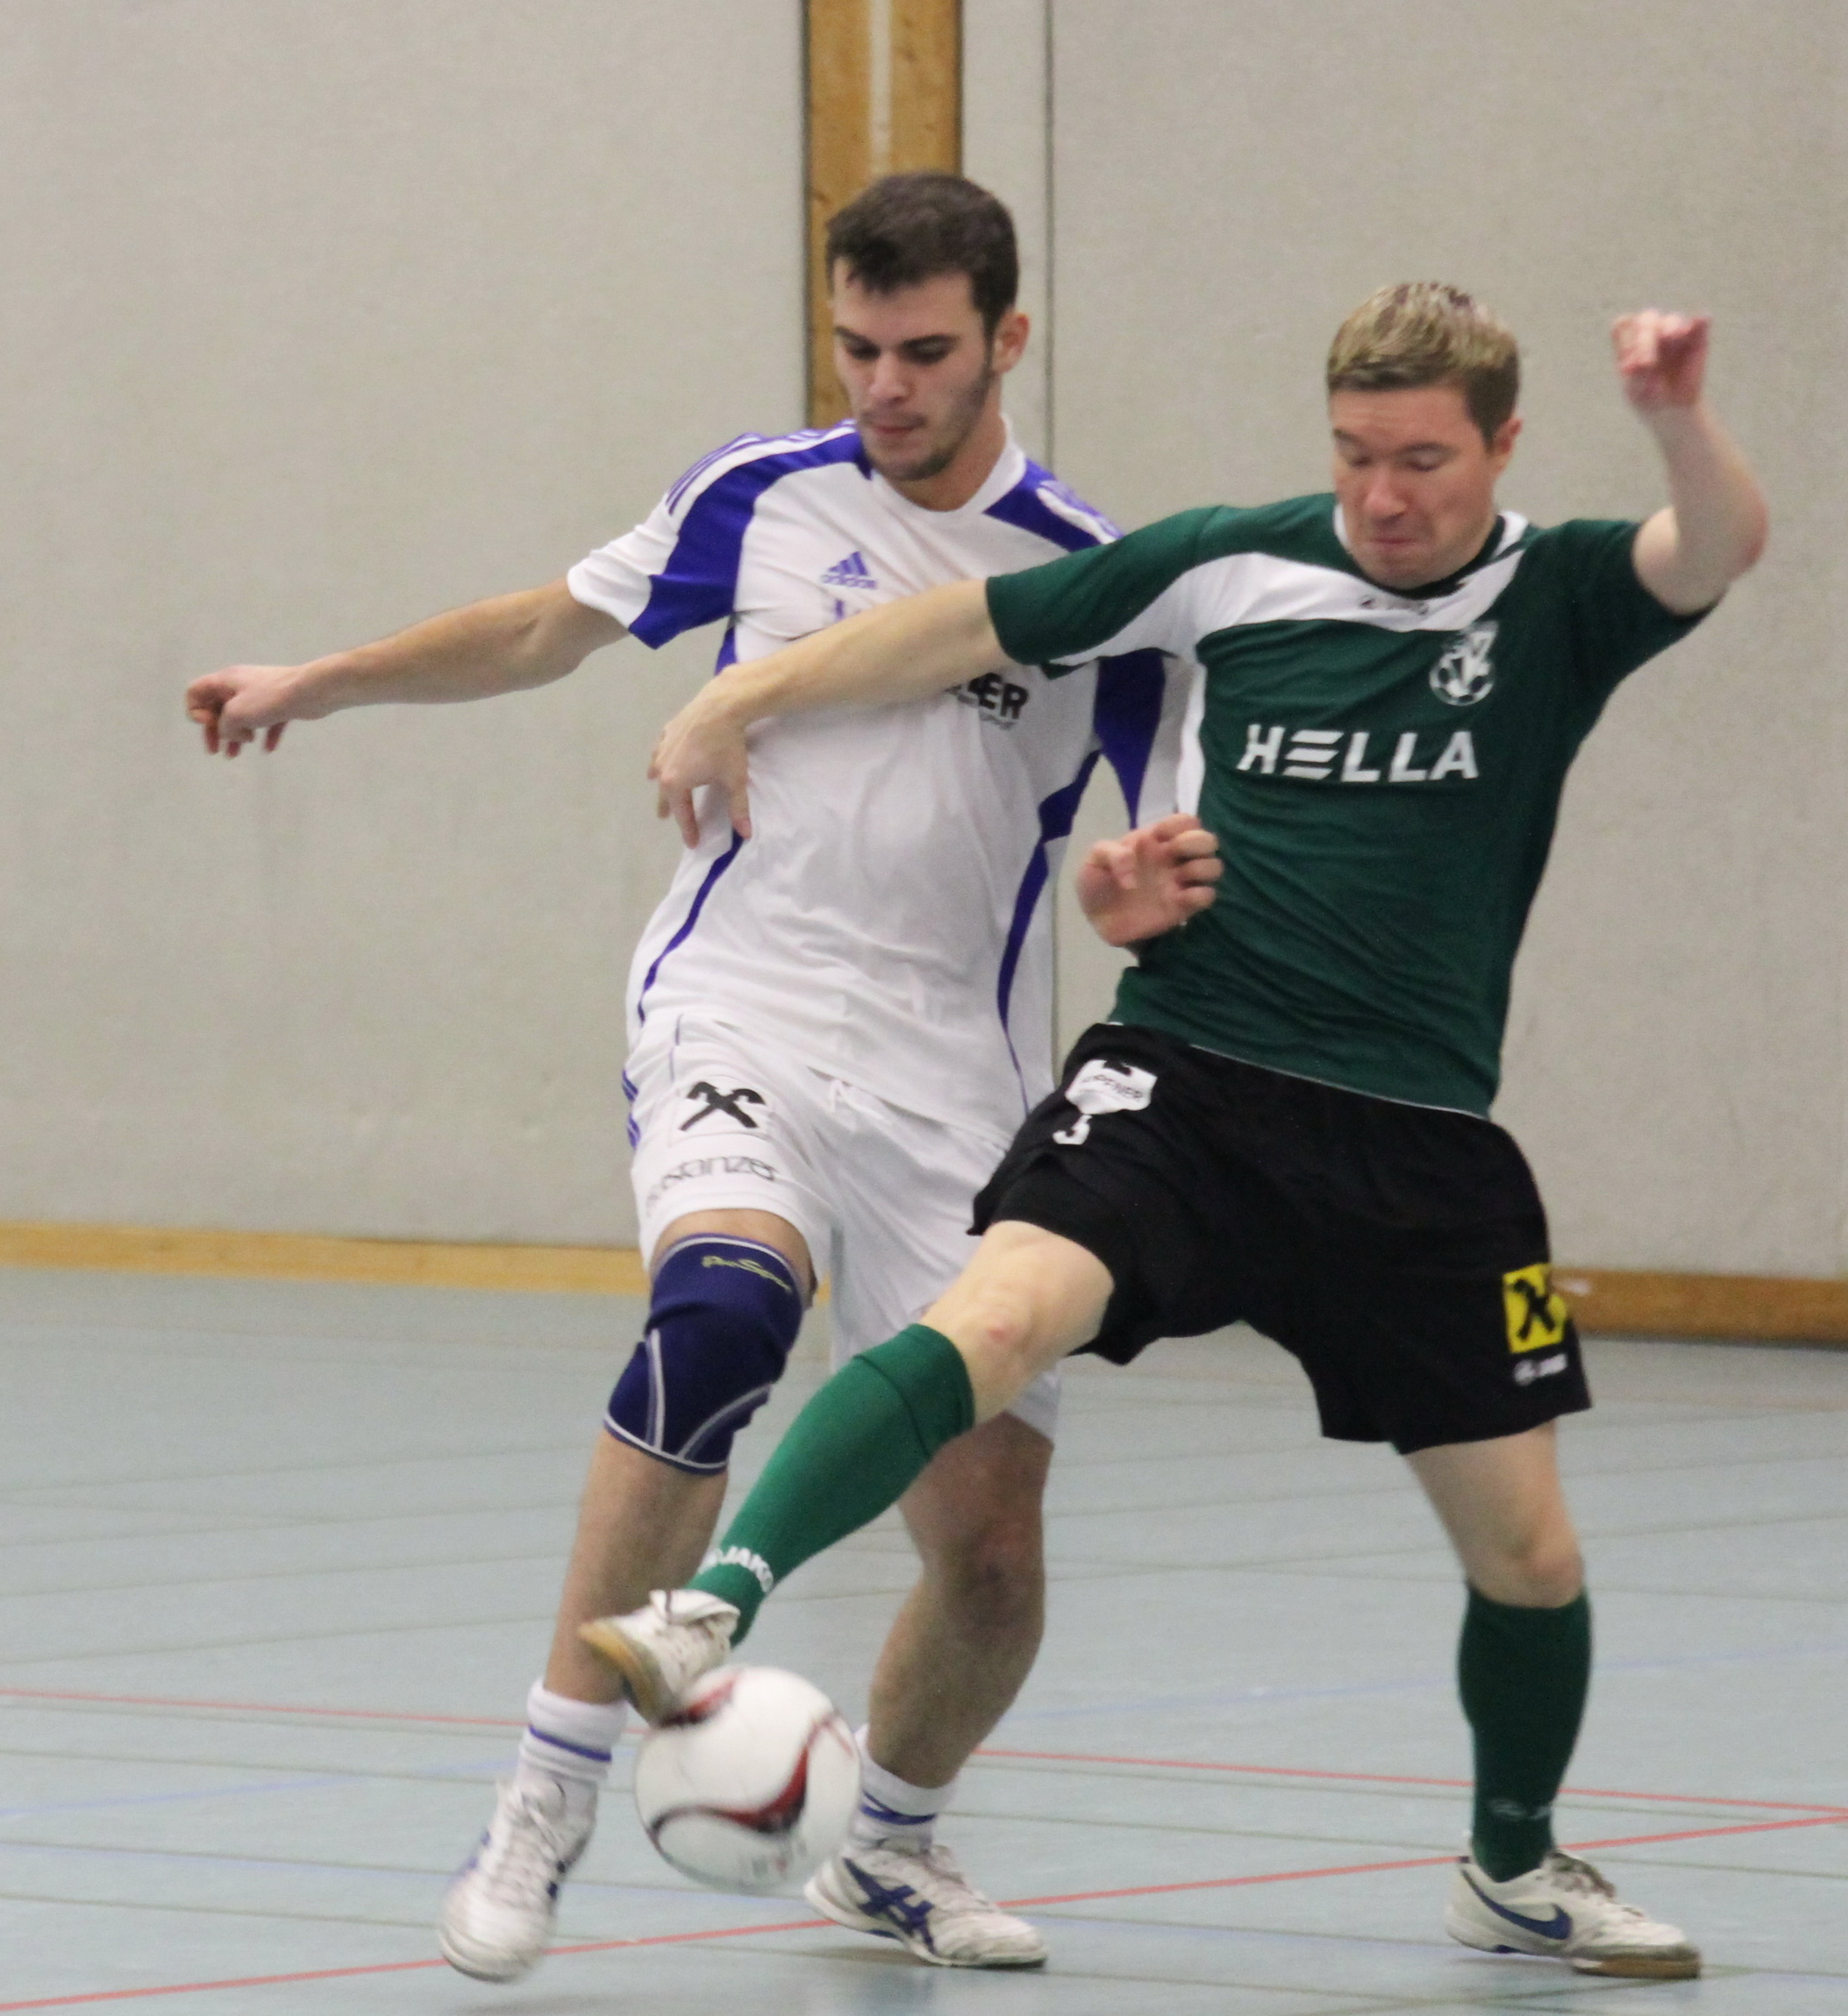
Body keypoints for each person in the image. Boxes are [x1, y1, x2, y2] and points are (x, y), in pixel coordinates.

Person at [589, 284, 1767, 1983]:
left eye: (1422, 461)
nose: (1382, 496)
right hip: (1188, 1082)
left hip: (1418, 1145)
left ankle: (1513, 1866)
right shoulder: (1232, 561)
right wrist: (738, 698)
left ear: (1503, 445)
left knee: (1529, 1554)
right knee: (994, 1321)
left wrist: (1673, 418)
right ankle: (721, 1599)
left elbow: (1717, 545)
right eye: (1355, 455)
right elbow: (957, 630)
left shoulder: (1561, 595)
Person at [185, 174, 1205, 1981]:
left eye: (924, 352)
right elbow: (543, 626)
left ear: (1008, 341)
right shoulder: (764, 493)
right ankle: (545, 1797)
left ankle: (888, 1848)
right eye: (855, 346)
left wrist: (1147, 896)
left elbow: (1184, 845)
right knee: (721, 1315)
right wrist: (318, 681)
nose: (882, 386)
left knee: (991, 1555)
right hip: (738, 1001)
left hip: (954, 1075)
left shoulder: (1093, 579)